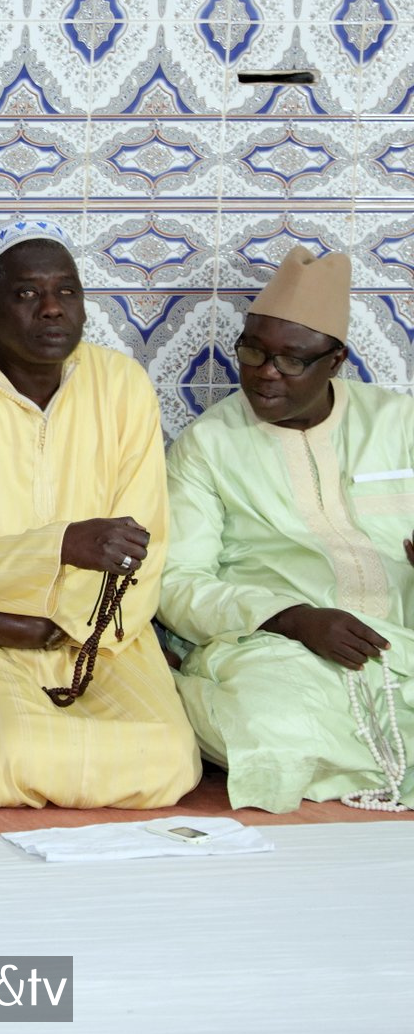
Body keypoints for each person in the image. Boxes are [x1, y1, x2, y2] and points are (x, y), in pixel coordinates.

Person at [0, 221, 198, 808]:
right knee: (10, 755)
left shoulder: (121, 385)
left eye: (67, 292)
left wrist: (69, 626)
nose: (52, 310)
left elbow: (145, 544)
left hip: (101, 632)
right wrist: (58, 547)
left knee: (166, 758)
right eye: (27, 294)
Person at [161, 249, 414, 811]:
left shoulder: (399, 422)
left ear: (336, 360)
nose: (265, 372)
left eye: (291, 360)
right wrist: (292, 618)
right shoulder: (210, 444)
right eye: (253, 351)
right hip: (280, 652)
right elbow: (175, 581)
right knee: (265, 724)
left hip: (404, 639)